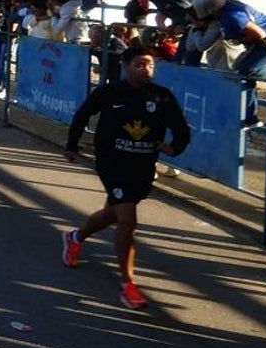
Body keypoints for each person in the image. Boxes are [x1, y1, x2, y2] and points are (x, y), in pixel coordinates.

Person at [61, 47, 191, 309]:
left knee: (114, 213)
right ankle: (128, 285)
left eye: (150, 65)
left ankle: (76, 237)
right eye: (140, 65)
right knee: (127, 219)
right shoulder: (110, 92)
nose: (147, 70)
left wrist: (174, 148)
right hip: (112, 162)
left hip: (142, 166)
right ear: (126, 66)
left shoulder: (162, 97)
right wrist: (72, 144)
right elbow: (83, 114)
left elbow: (181, 129)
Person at [186, 0, 266, 127]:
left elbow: (259, 34)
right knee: (243, 70)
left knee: (245, 70)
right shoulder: (226, 10)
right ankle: (251, 116)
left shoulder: (231, 16)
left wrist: (242, 40)